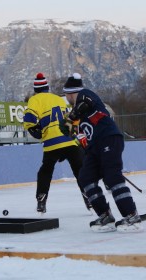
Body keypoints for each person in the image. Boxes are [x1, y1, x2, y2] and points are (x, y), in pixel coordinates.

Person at [61, 73, 142, 233]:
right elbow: (80, 132)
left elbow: (86, 102)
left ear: (71, 93)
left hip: (109, 139)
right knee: (85, 177)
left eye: (66, 95)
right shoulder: (79, 114)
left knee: (112, 176)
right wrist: (71, 129)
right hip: (95, 146)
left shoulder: (85, 94)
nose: (67, 99)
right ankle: (105, 215)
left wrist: (73, 115)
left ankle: (131, 214)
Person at [23, 72, 91, 214]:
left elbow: (29, 119)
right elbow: (70, 119)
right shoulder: (59, 99)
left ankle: (41, 200)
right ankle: (89, 197)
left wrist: (32, 128)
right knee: (80, 170)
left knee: (45, 171)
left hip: (52, 142)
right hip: (69, 140)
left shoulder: (35, 100)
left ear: (36, 90)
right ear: (47, 88)